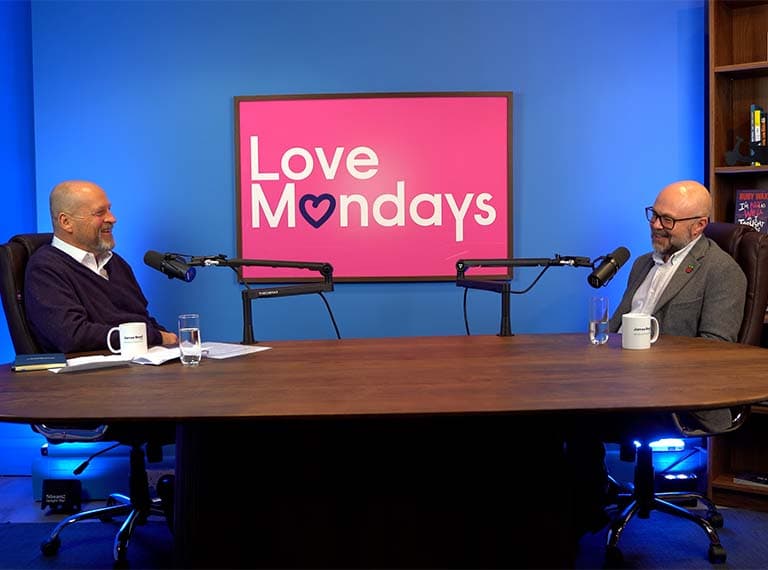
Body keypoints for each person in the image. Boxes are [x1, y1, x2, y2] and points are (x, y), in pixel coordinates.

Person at [568, 179, 748, 540]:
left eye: (668, 220)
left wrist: (644, 363)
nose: (655, 225)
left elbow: (716, 351)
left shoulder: (722, 272)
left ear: (699, 226)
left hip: (679, 398)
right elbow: (616, 327)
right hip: (626, 384)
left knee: (573, 418)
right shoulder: (641, 264)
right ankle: (584, 499)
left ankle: (585, 508)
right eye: (654, 215)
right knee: (553, 402)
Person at [24, 180, 178, 354]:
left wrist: (172, 343)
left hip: (139, 361)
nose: (112, 218)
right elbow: (72, 336)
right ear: (66, 222)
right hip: (94, 370)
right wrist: (156, 337)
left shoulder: (116, 263)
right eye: (99, 212)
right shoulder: (45, 269)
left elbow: (142, 319)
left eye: (109, 209)